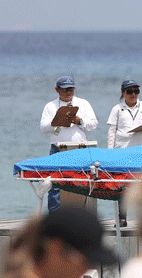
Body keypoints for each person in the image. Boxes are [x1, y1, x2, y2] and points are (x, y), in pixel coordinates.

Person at [107, 79, 142, 226]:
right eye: (130, 91)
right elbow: (111, 131)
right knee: (122, 185)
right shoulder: (117, 109)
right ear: (123, 93)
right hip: (123, 151)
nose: (133, 94)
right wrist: (109, 152)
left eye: (136, 91)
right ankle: (122, 218)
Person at [39, 76, 99, 211]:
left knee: (81, 182)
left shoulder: (83, 103)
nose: (68, 92)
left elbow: (94, 123)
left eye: (71, 89)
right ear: (57, 90)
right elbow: (43, 129)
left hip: (80, 149)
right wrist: (58, 121)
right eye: (65, 89)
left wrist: (80, 121)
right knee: (55, 183)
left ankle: (81, 216)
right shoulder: (50, 106)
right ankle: (54, 218)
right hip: (58, 149)